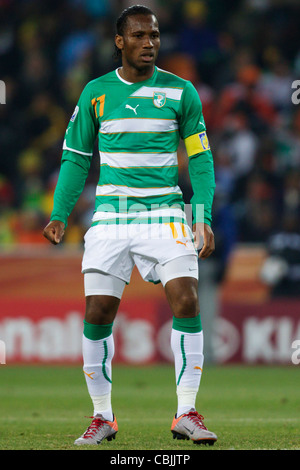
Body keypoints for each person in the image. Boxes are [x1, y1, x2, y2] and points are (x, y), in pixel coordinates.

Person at [43, 5, 217, 446]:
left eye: (154, 35)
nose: (149, 43)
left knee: (187, 298)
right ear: (120, 41)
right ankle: (103, 417)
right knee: (98, 312)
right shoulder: (96, 94)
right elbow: (76, 158)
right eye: (139, 36)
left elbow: (200, 157)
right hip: (110, 216)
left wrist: (201, 216)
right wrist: (60, 214)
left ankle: (187, 413)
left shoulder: (181, 93)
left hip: (164, 212)